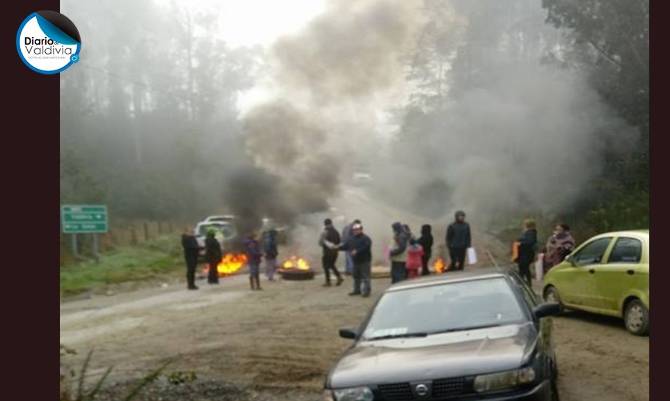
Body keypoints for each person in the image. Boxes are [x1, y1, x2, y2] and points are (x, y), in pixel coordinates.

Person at [339, 223, 372, 297]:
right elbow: (346, 246)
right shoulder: (351, 239)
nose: (355, 231)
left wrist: (357, 251)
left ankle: (366, 291)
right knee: (356, 276)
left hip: (364, 261)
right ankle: (357, 290)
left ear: (361, 230)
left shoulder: (366, 238)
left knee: (365, 277)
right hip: (355, 261)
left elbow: (366, 247)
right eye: (354, 230)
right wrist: (337, 248)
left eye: (357, 230)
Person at [319, 218, 343, 287]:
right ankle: (339, 277)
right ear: (331, 223)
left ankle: (328, 282)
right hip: (335, 252)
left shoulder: (324, 232)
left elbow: (320, 243)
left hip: (327, 252)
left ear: (325, 224)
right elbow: (339, 241)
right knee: (332, 265)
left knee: (326, 266)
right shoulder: (336, 231)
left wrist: (326, 244)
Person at [516, 219, 538, 287]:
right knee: (523, 268)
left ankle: (524, 283)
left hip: (526, 254)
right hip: (524, 254)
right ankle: (523, 282)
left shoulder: (531, 232)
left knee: (524, 268)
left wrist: (520, 243)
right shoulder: (528, 232)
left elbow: (530, 242)